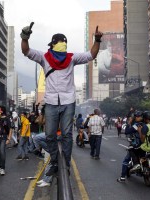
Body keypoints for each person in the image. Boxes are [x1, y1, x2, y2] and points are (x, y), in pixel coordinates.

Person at [21, 23, 102, 175]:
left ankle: (65, 163)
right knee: (50, 134)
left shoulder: (71, 58)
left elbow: (91, 54)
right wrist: (25, 36)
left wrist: (97, 40)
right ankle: (54, 161)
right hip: (51, 102)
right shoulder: (44, 57)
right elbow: (26, 51)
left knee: (66, 135)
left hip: (68, 102)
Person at [117, 110, 143, 182]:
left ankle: (122, 177)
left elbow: (127, 131)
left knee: (126, 160)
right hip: (147, 146)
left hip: (137, 145)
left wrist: (129, 123)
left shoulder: (137, 125)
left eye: (137, 116)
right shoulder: (148, 124)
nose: (136, 118)